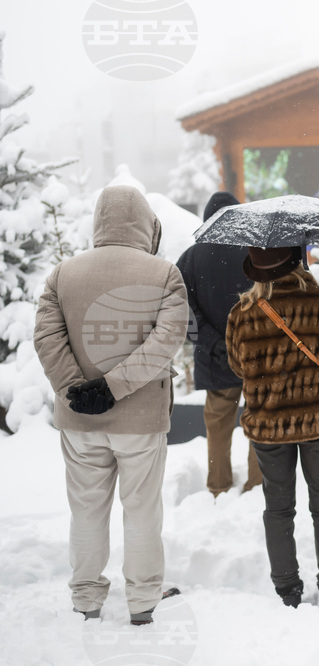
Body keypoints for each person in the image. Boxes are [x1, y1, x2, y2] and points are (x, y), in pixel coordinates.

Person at [33, 185, 189, 624]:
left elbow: (46, 338)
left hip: (79, 421)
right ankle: (141, 602)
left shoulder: (62, 275)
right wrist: (114, 387)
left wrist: (77, 389)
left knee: (85, 510)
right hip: (141, 419)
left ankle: (86, 599)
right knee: (141, 510)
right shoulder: (164, 275)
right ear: (145, 223)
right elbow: (167, 341)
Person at [226, 246, 319, 609]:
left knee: (278, 507)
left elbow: (239, 367)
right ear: (298, 261)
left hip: (269, 426)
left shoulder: (242, 314)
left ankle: (287, 591)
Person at [176, 192, 260, 496]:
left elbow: (181, 310)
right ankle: (257, 484)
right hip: (257, 359)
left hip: (215, 360)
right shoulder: (257, 254)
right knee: (258, 420)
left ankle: (219, 486)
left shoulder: (191, 257)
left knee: (218, 424)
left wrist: (214, 343)